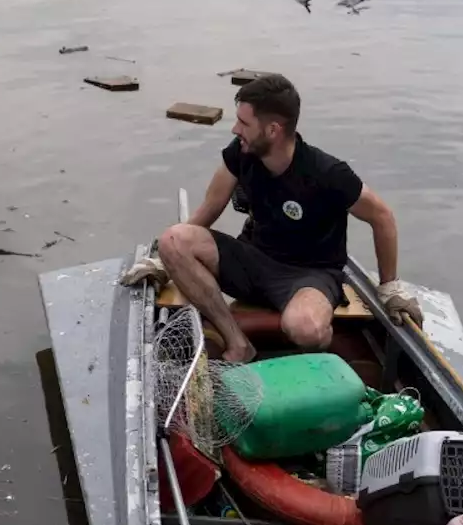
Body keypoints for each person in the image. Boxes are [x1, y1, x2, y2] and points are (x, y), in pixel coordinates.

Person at [123, 74, 423, 362]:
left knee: (306, 329)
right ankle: (237, 342)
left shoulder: (327, 173)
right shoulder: (240, 154)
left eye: (243, 123)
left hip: (309, 275)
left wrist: (389, 286)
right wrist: (167, 261)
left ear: (273, 130)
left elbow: (382, 216)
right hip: (252, 260)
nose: (234, 130)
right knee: (173, 239)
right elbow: (208, 210)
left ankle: (332, 356)